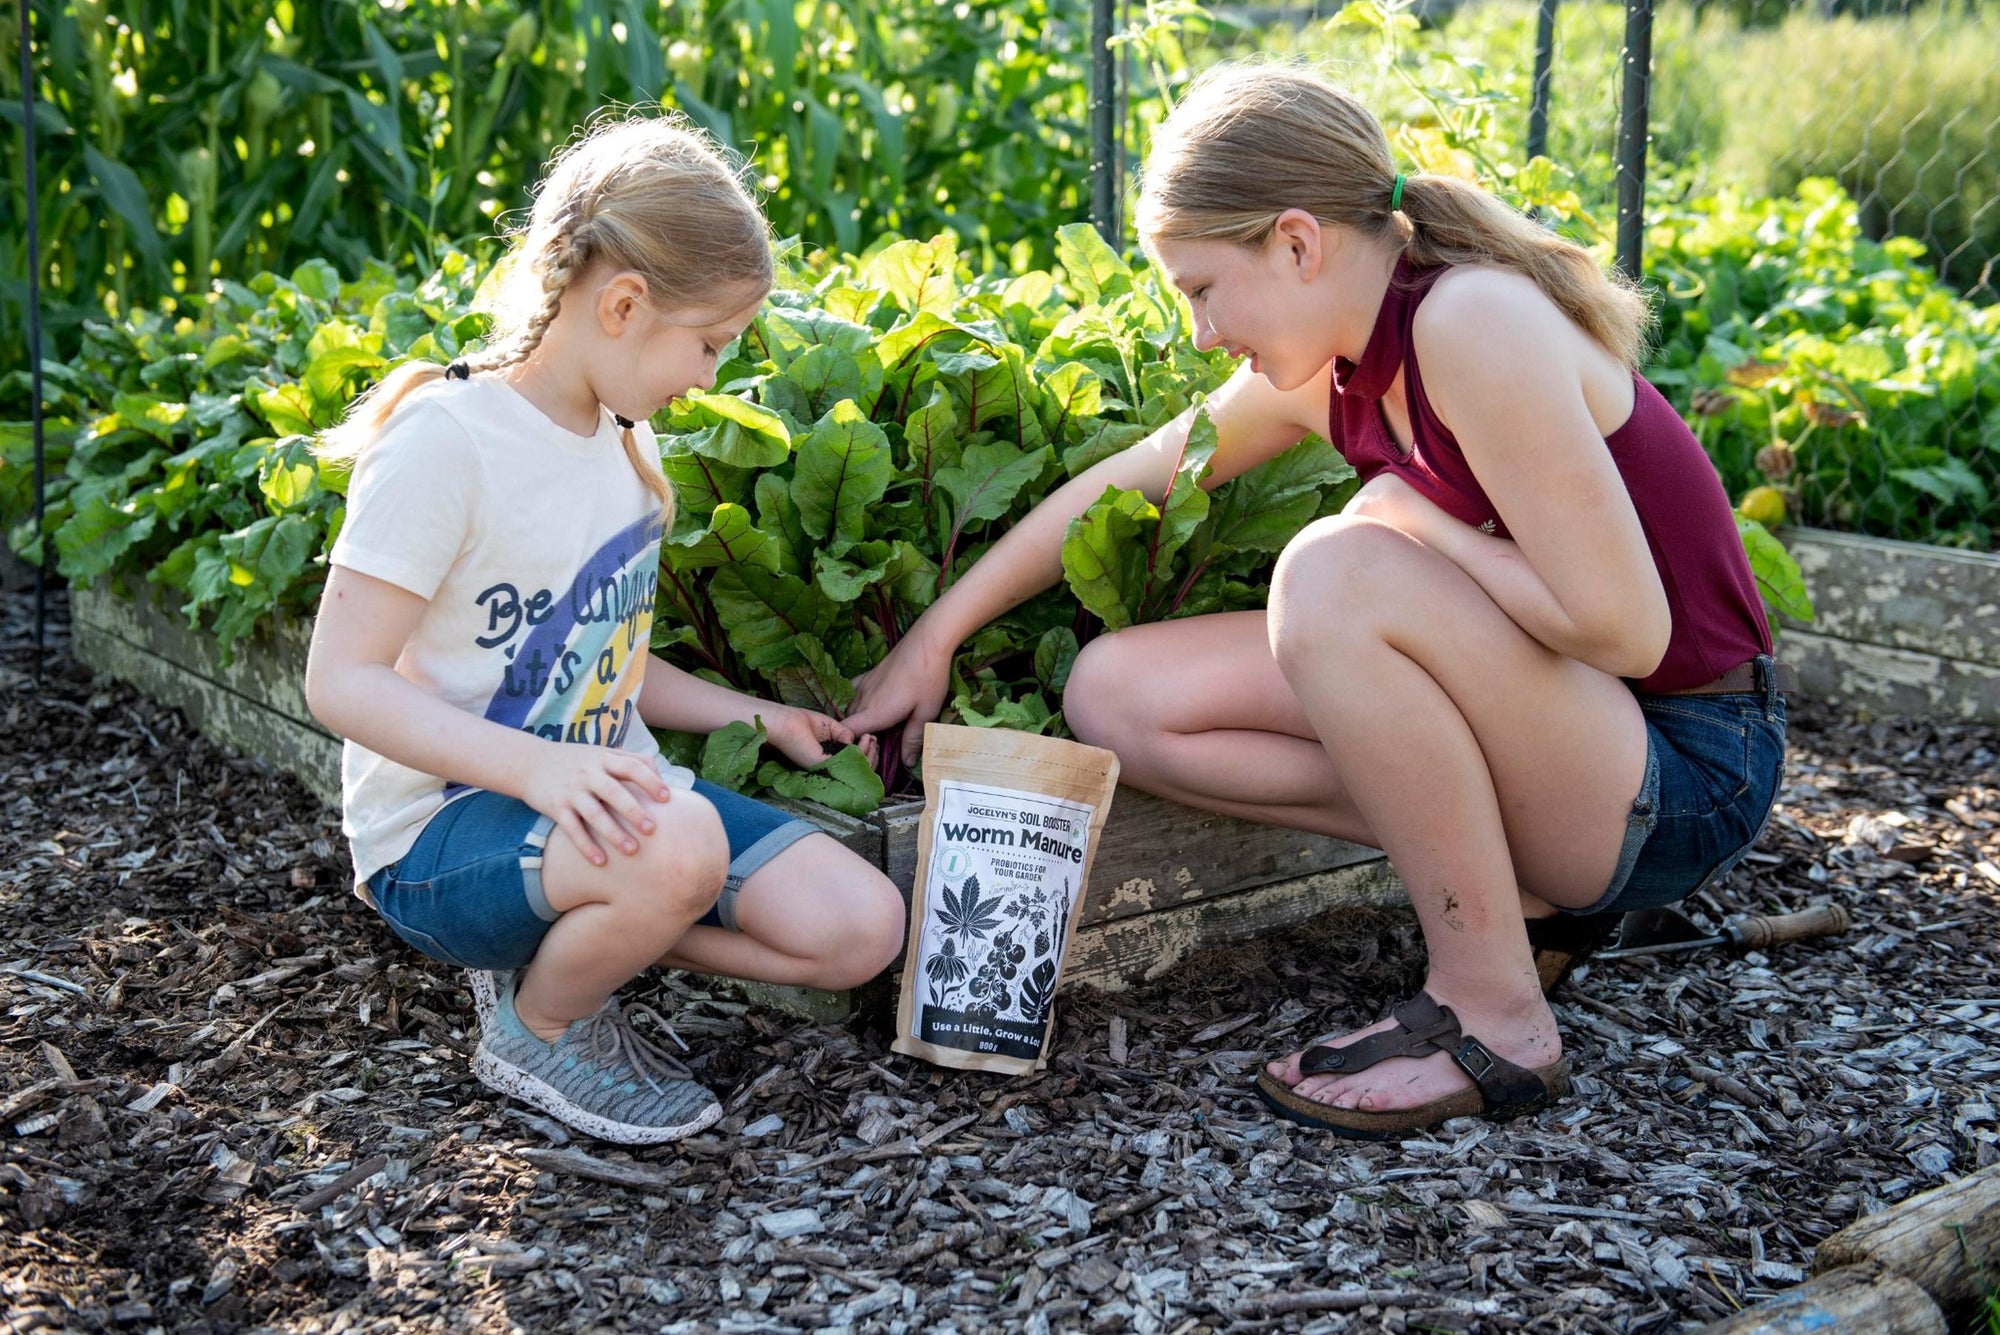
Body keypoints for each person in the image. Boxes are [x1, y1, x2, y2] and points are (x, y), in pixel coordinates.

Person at [847, 65, 1787, 1138]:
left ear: (1296, 243)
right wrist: (934, 636)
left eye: (1202, 289)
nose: (1200, 332)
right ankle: (1522, 899)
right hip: (1581, 751)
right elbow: (1131, 481)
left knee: (1334, 573)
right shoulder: (1328, 368)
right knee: (1118, 694)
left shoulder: (1470, 320)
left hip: (1686, 768)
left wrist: (1418, 522)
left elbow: (1627, 628)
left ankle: (1493, 1009)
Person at [306, 116, 904, 1146]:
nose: (709, 376)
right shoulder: (447, 441)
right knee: (684, 841)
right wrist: (539, 772)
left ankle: (596, 936)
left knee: (861, 927)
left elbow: (603, 661)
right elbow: (340, 681)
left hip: (609, 815)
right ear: (624, 304)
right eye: (709, 342)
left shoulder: (626, 447)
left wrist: (754, 715)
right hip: (443, 838)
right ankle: (540, 1025)